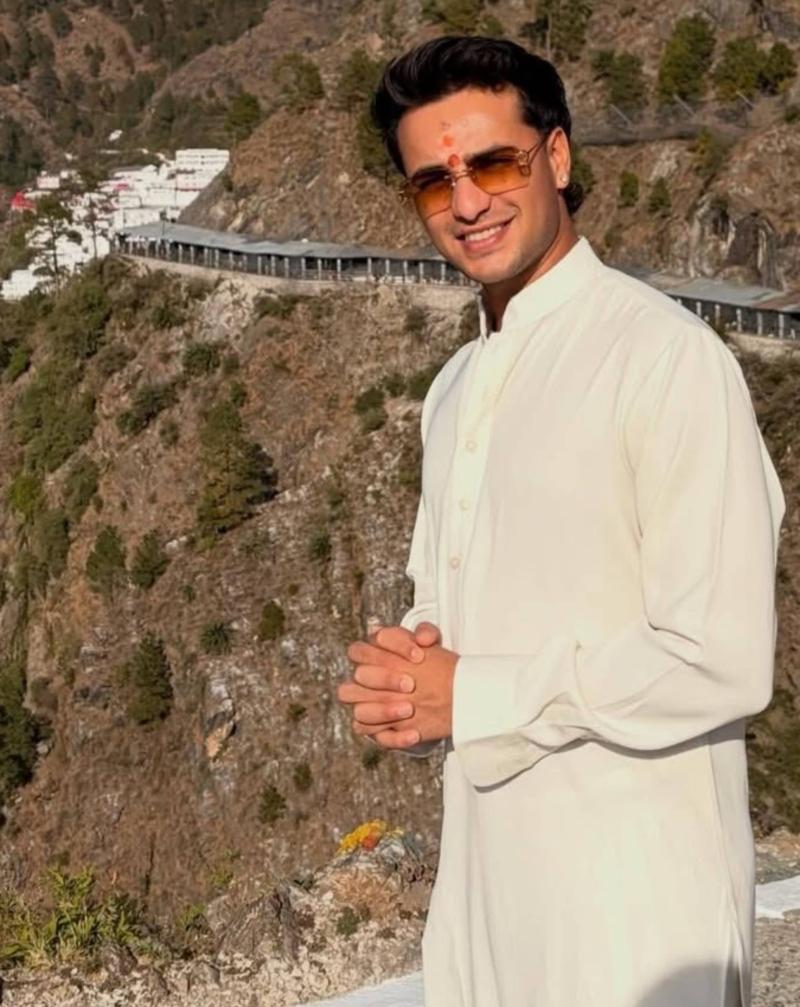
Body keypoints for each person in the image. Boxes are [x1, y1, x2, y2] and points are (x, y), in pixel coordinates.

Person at [336, 35, 786, 1007]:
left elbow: (721, 657)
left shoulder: (664, 360)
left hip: (635, 914)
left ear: (557, 156)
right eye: (433, 182)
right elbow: (454, 628)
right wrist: (414, 689)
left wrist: (473, 692)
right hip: (485, 899)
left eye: (494, 163)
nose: (466, 202)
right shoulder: (454, 387)